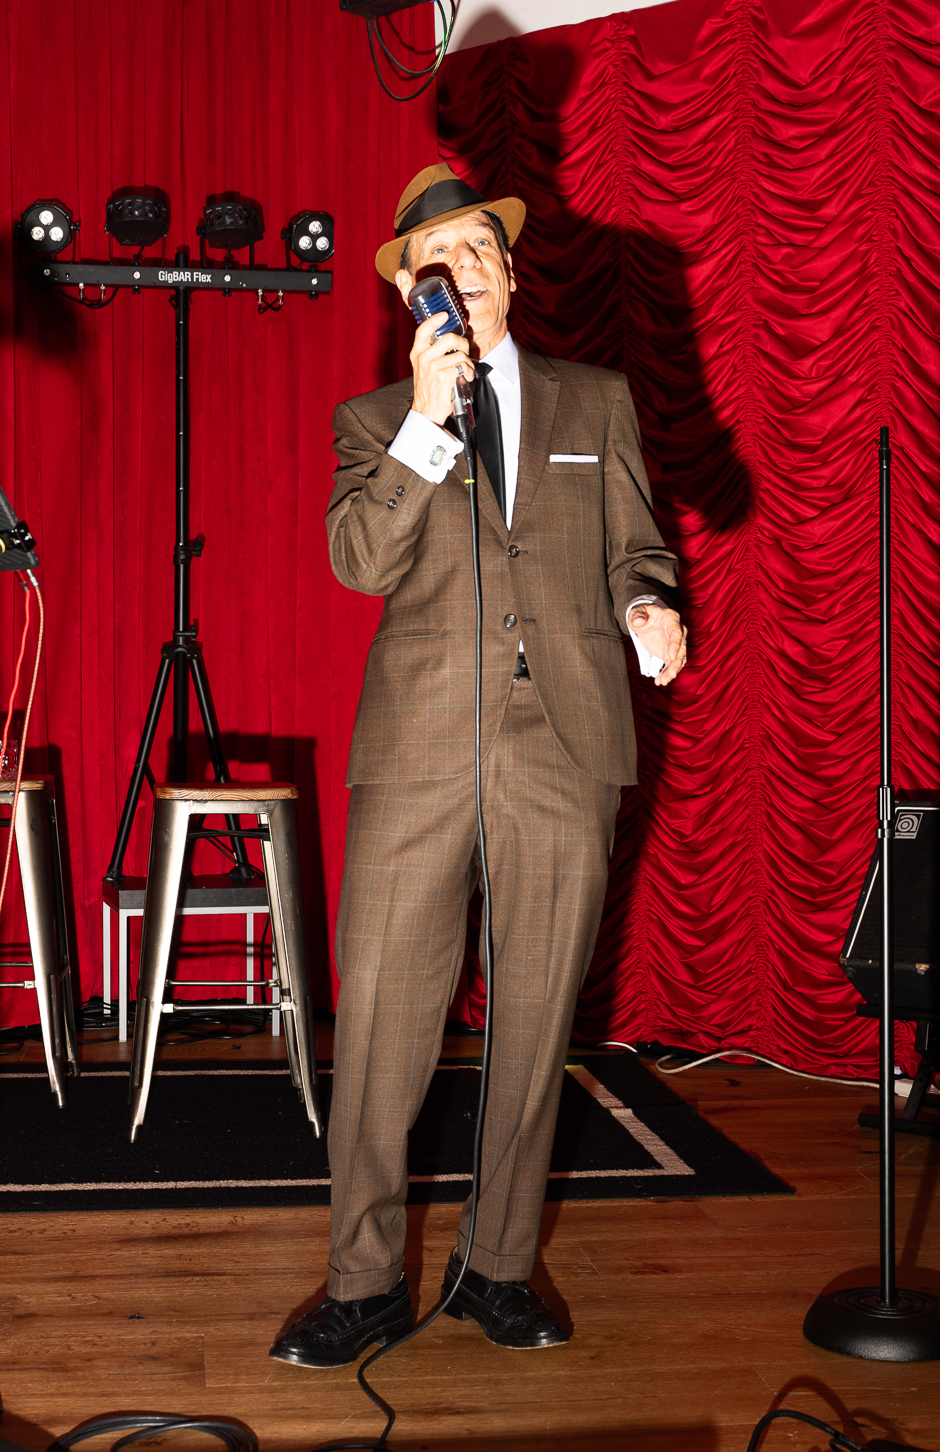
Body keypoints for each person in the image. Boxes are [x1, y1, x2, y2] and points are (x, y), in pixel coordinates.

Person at [269, 165, 687, 1368]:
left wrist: (650, 606)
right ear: (413, 292)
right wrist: (421, 422)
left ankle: (499, 1265)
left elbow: (635, 546)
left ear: (511, 271)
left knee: (538, 1011)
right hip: (419, 751)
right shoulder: (370, 422)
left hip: (566, 740)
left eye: (483, 249)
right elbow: (359, 561)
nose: (467, 270)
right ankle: (362, 1281)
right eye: (438, 258)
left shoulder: (592, 399)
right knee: (388, 1023)